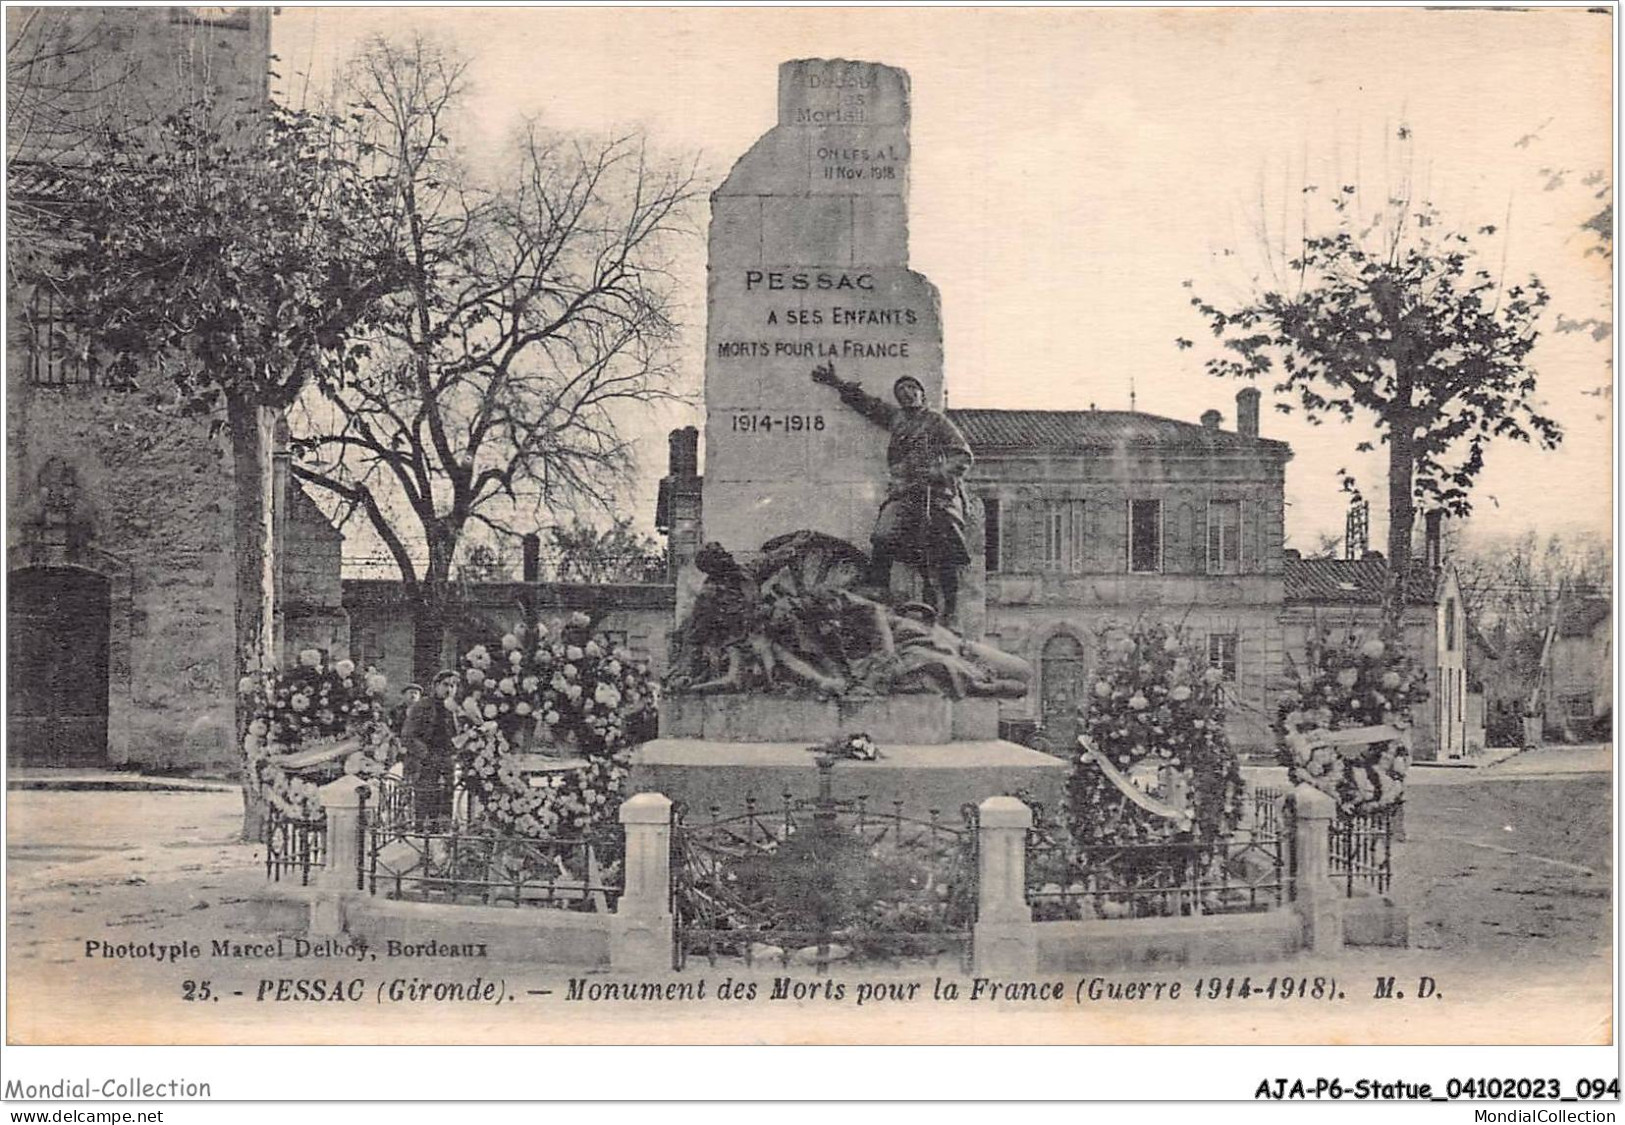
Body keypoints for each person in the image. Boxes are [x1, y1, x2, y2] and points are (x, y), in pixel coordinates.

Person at [810, 361, 973, 625]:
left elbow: (963, 455)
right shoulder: (897, 419)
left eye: (911, 388)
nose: (906, 393)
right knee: (883, 535)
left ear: (922, 393)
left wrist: (936, 472)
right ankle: (878, 591)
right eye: (901, 391)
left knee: (946, 541)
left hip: (935, 492)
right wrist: (836, 382)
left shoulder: (937, 421)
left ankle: (951, 606)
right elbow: (867, 405)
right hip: (905, 492)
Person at [399, 671, 460, 824]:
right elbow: (407, 735)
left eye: (453, 686)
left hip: (447, 758)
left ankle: (443, 832)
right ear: (436, 686)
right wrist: (425, 754)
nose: (449, 689)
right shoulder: (422, 706)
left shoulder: (456, 709)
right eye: (445, 685)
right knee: (425, 797)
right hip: (426, 759)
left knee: (447, 795)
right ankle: (422, 833)